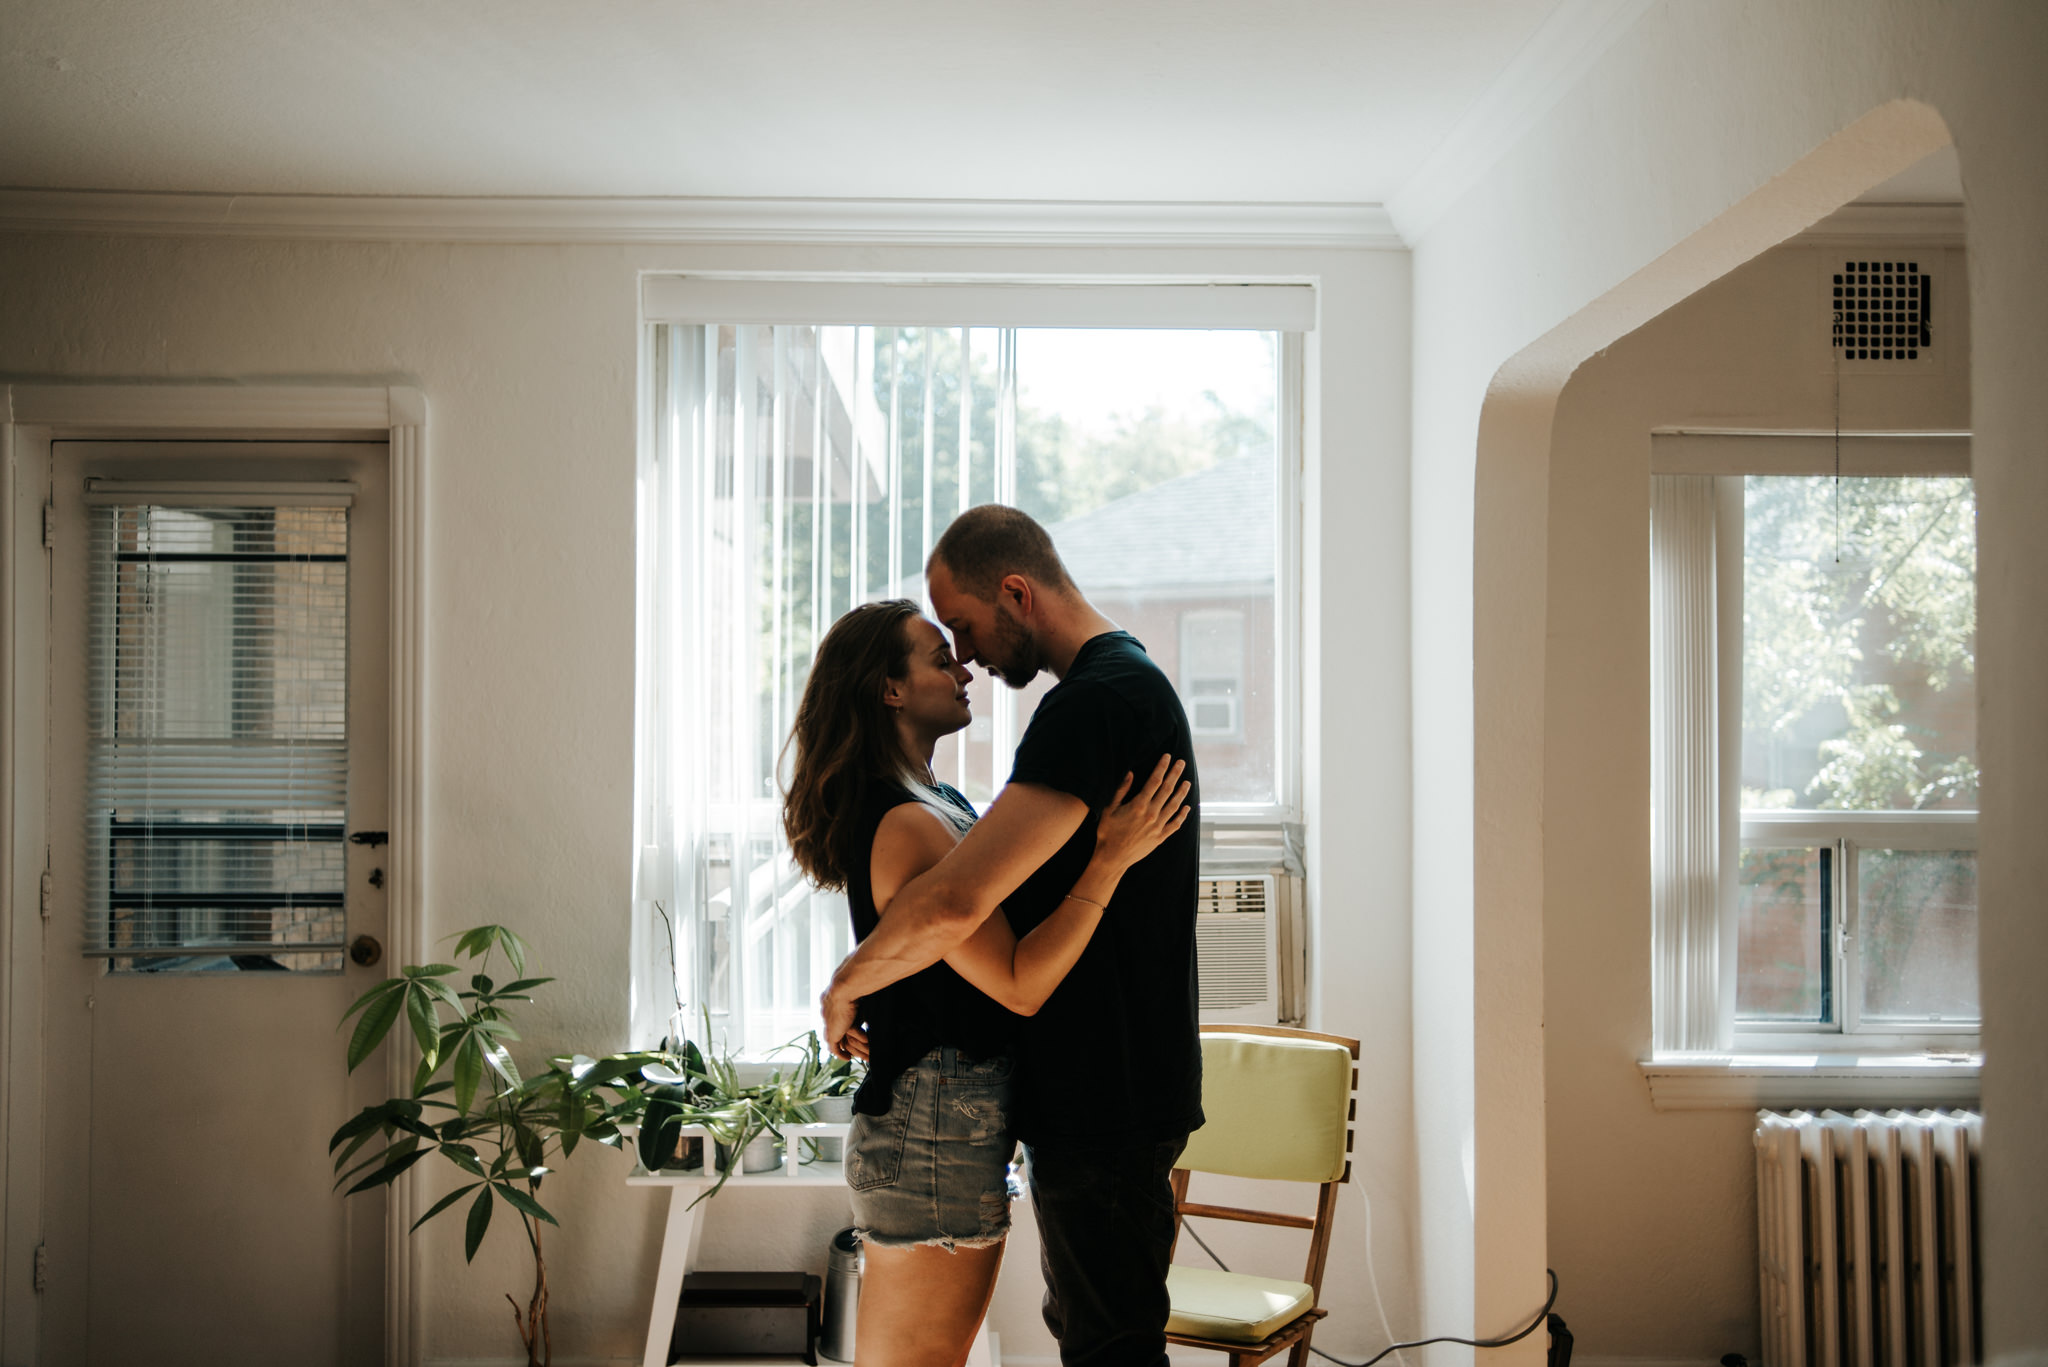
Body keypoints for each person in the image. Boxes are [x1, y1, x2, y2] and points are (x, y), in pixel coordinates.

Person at [819, 506, 1204, 1367]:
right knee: (1095, 1338)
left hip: (1105, 1097)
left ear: (1017, 593)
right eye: (942, 642)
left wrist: (844, 980)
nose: (967, 656)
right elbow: (966, 909)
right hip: (1080, 1099)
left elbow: (962, 909)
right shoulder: (1111, 691)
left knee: (1107, 1344)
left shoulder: (1094, 702)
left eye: (963, 625)